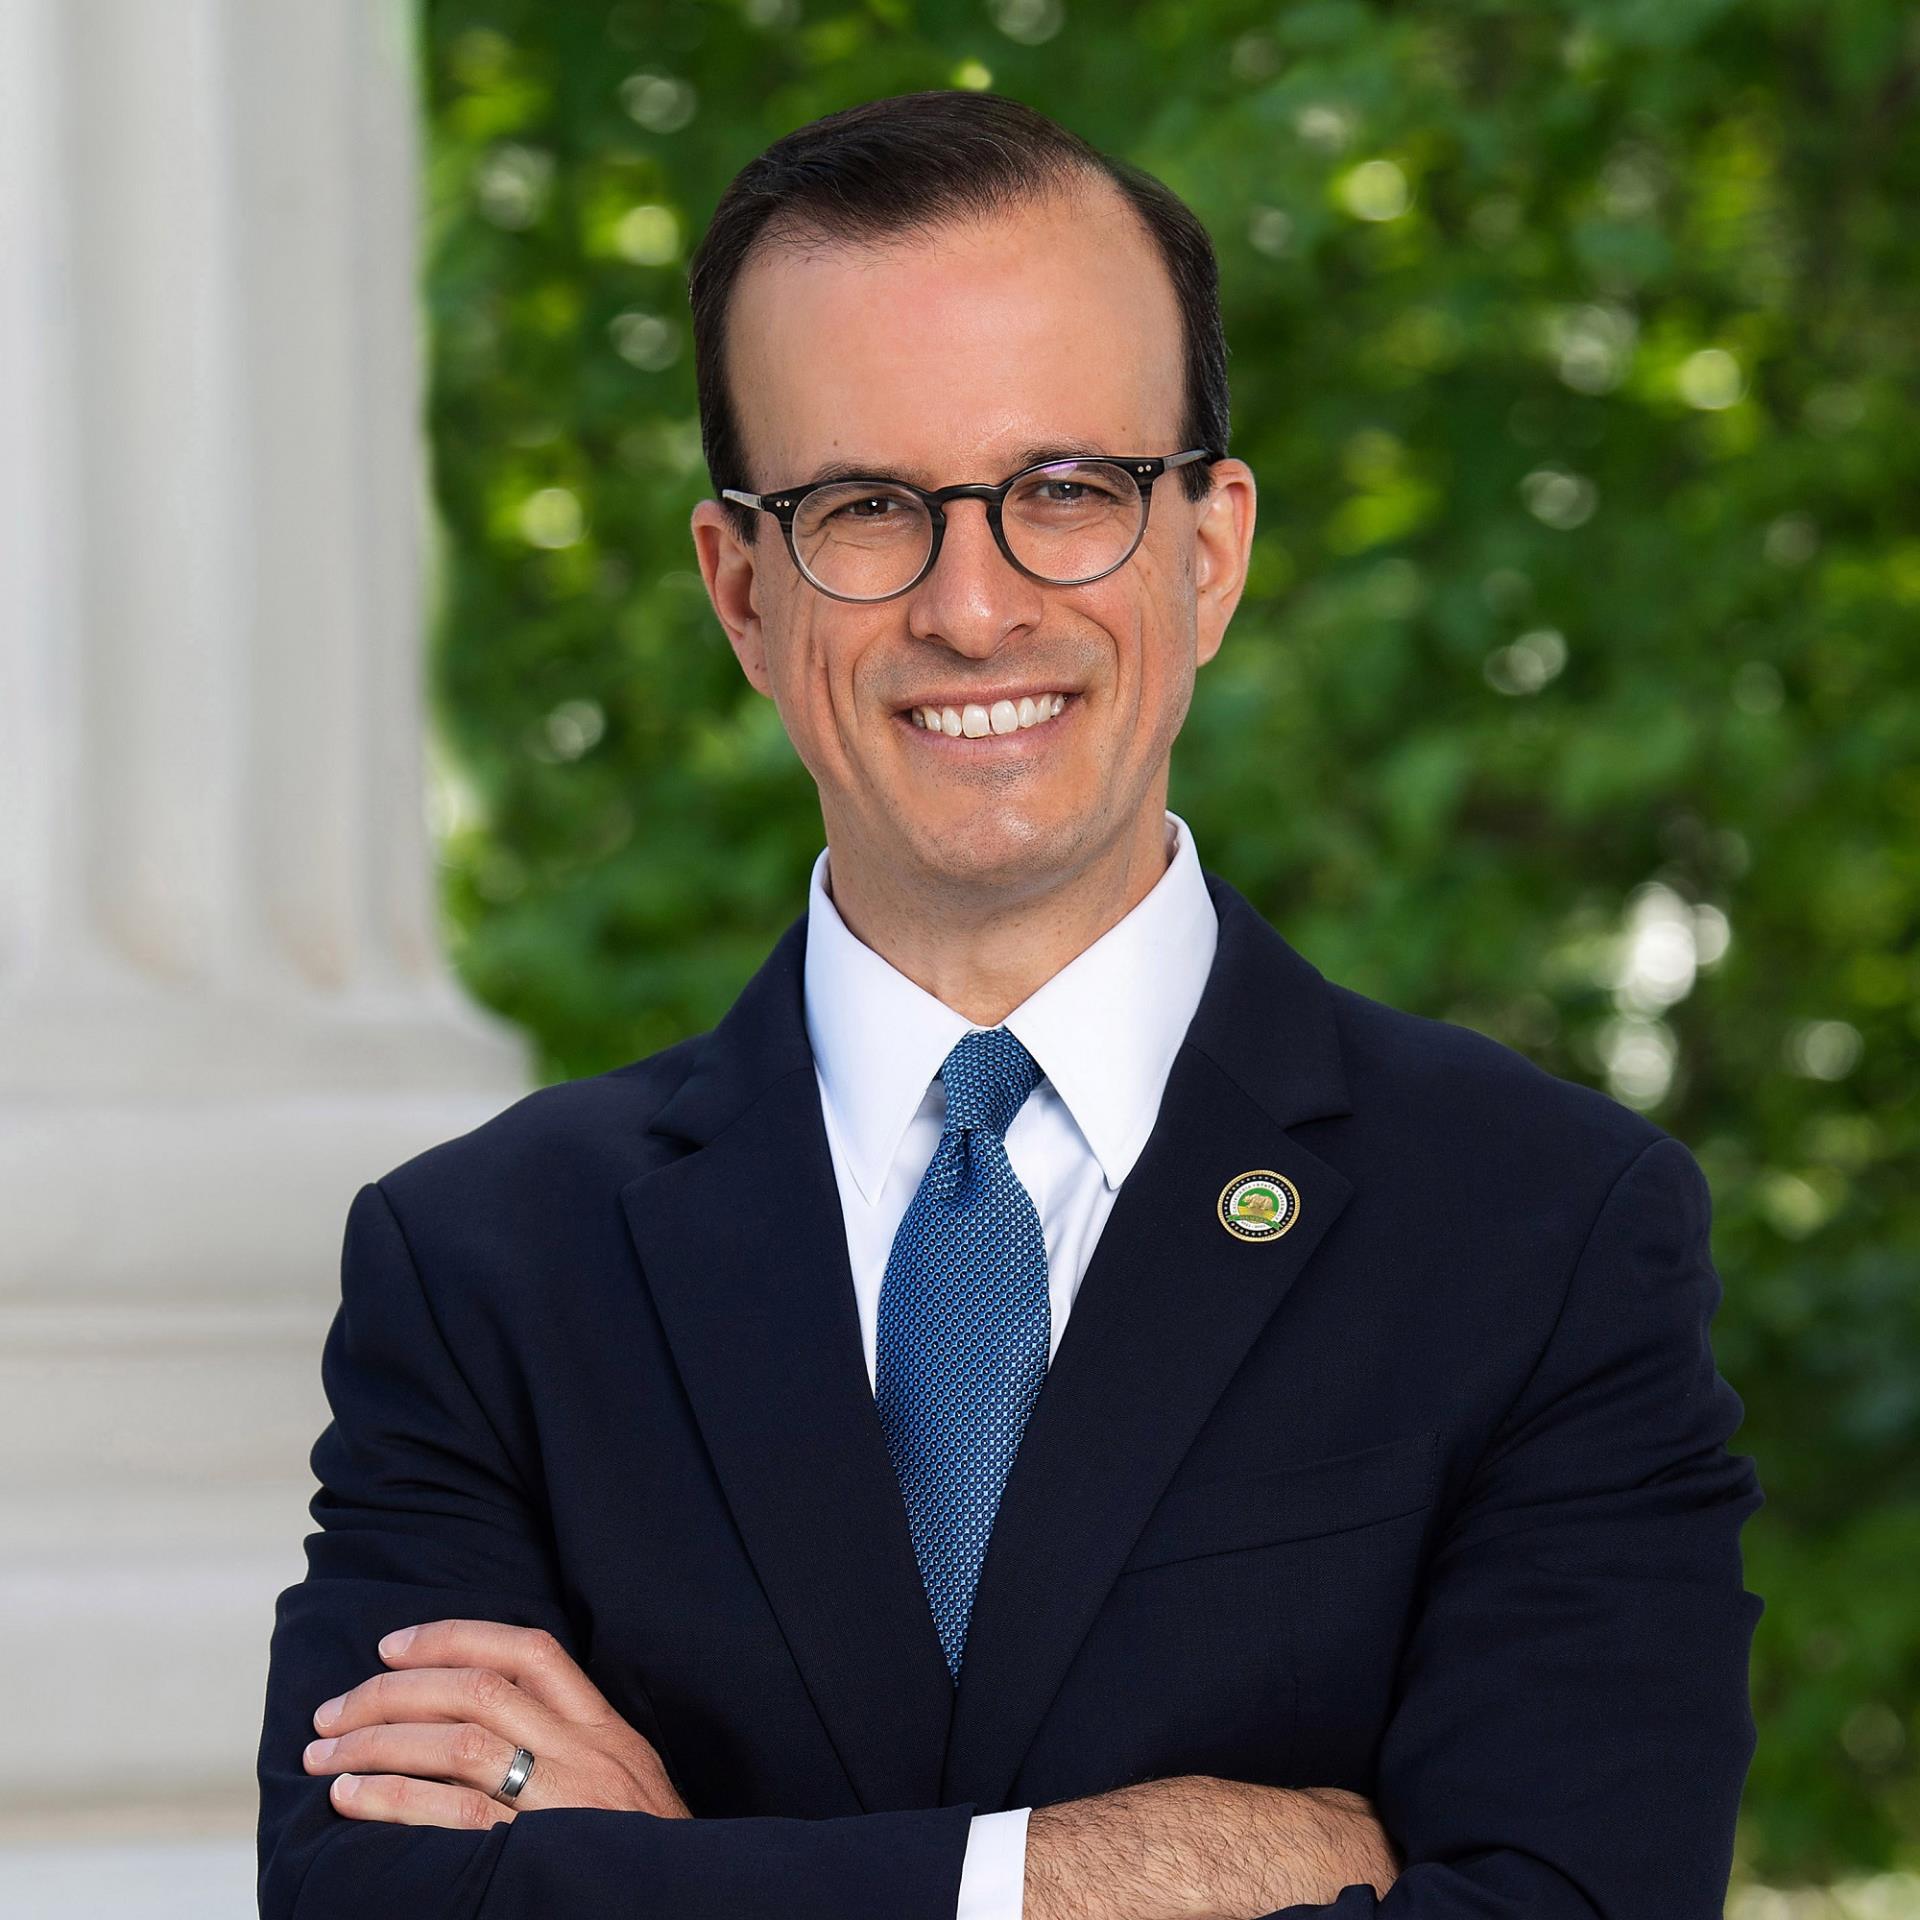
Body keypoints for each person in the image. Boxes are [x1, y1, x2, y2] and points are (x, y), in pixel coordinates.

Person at [255, 90, 1765, 1920]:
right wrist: (1093, 1873)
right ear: (740, 589)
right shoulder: (485, 1264)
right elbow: (369, 1906)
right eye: (866, 507)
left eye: (1065, 491)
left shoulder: (1542, 1229)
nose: (974, 608)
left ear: (1208, 548)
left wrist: (675, 1882)